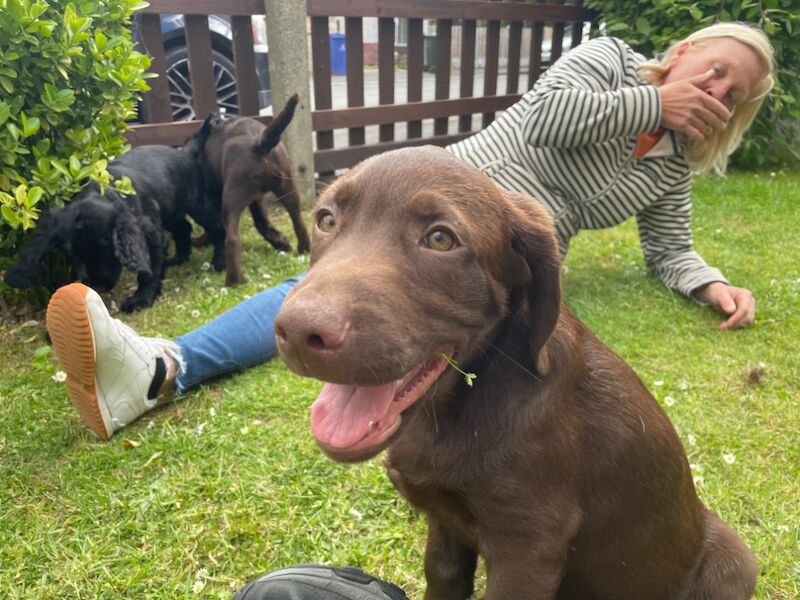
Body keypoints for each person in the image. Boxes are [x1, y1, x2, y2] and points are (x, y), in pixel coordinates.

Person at [43, 22, 775, 440]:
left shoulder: (673, 164)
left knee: (386, 328)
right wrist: (657, 105)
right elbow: (550, 115)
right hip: (435, 195)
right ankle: (163, 364)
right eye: (712, 70)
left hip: (502, 252)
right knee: (326, 296)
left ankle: (159, 368)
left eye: (731, 94)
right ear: (681, 54)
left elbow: (669, 245)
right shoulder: (607, 58)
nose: (714, 92)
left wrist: (710, 283)